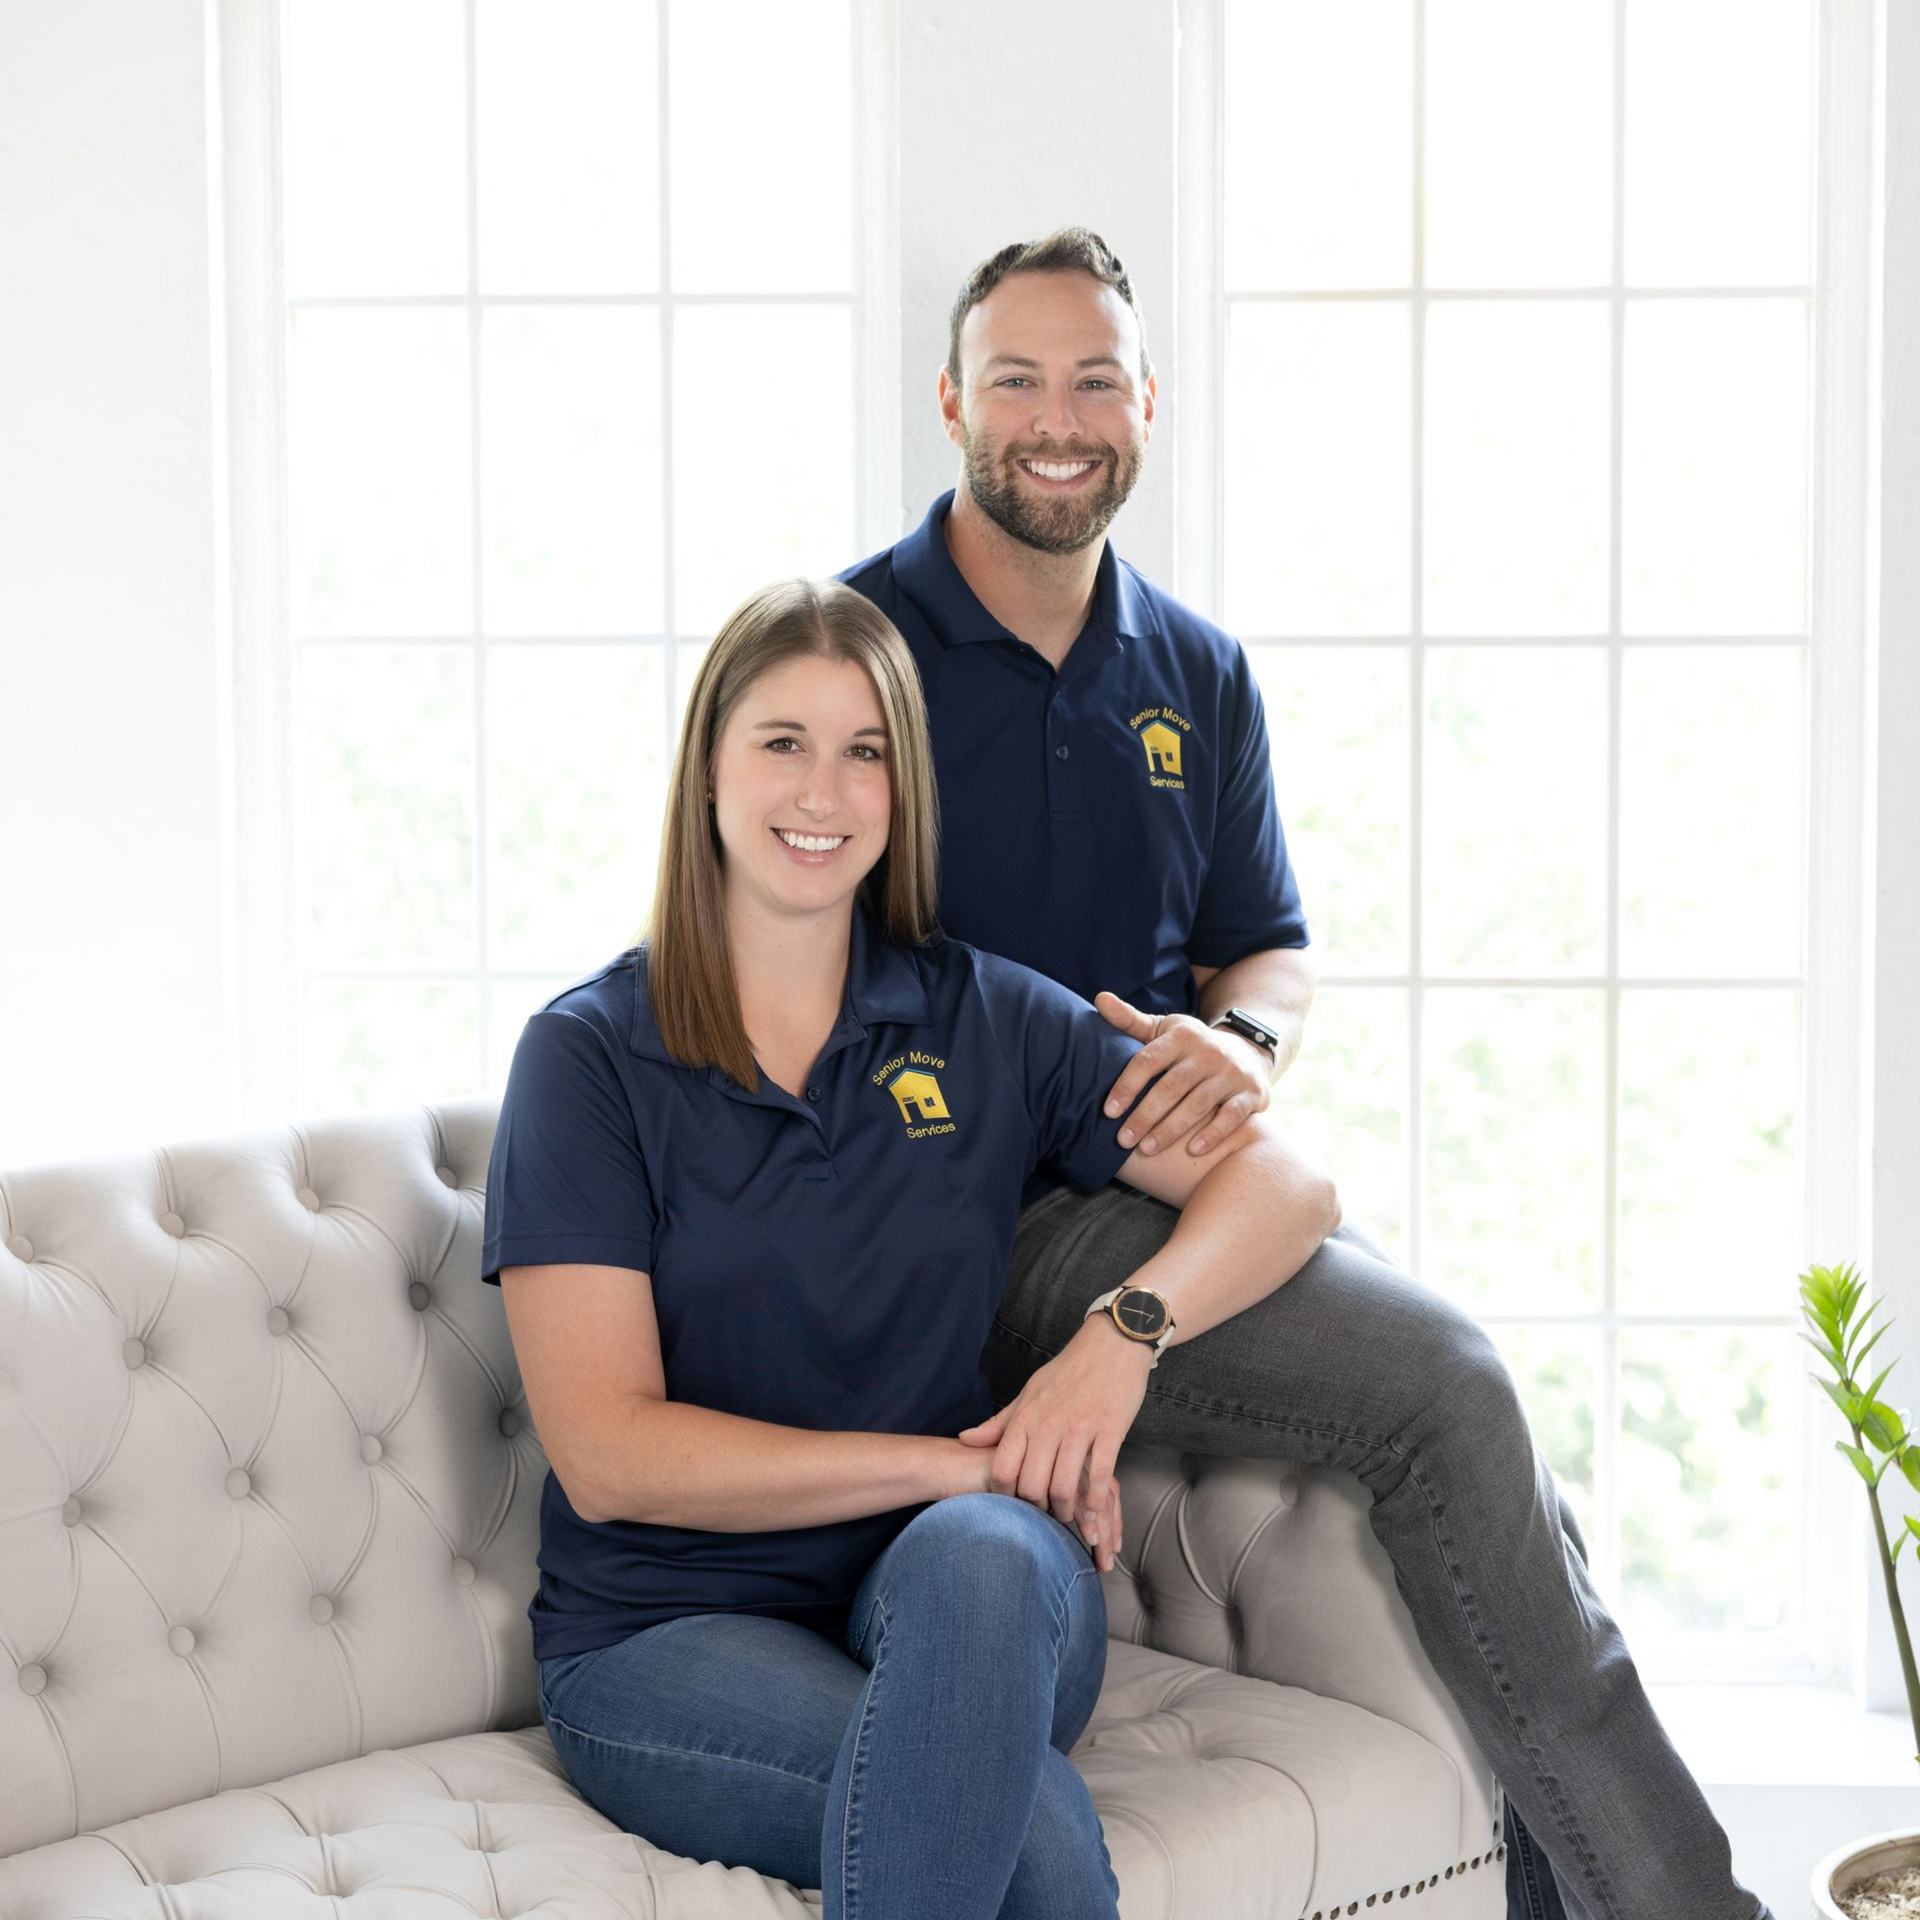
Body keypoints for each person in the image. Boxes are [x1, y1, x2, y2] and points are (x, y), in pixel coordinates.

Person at [837, 227, 1773, 1920]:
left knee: (1476, 1441)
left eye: (1097, 378)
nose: (1060, 417)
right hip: (965, 1223)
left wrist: (1240, 1043)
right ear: (953, 400)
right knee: (1447, 1392)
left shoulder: (1195, 666)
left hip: (1165, 1188)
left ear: (1146, 402)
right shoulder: (850, 657)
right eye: (1021, 379)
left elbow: (1266, 940)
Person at [481, 577, 1342, 1920]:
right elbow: (612, 1453)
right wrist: (959, 1461)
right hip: (668, 1631)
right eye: (782, 742)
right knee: (1039, 1835)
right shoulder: (591, 1056)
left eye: (865, 750)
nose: (823, 791)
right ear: (708, 767)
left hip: (965, 1595)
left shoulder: (988, 1017)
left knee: (986, 1554)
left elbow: (1288, 1186)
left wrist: (1120, 1340)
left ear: (904, 789)